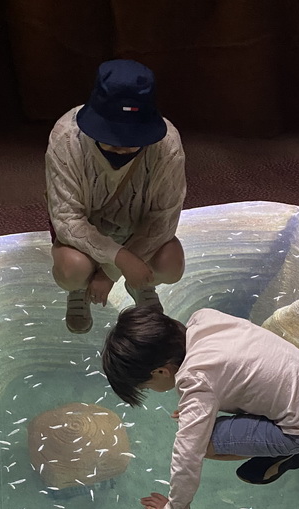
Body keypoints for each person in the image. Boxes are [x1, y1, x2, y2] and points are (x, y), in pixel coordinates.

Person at [102, 306, 299, 509]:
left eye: (146, 386)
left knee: (203, 443)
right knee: (202, 421)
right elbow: (235, 373)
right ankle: (283, 444)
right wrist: (195, 408)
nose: (151, 390)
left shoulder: (196, 380)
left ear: (161, 372)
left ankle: (289, 452)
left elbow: (188, 455)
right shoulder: (204, 320)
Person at [45, 59, 186, 334]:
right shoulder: (65, 138)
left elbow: (164, 219)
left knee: (172, 264)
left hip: (137, 230)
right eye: (111, 138)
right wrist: (119, 259)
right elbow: (66, 218)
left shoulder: (167, 146)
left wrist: (111, 273)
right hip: (85, 236)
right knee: (72, 270)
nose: (120, 148)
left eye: (131, 139)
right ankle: (81, 287)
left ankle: (140, 282)